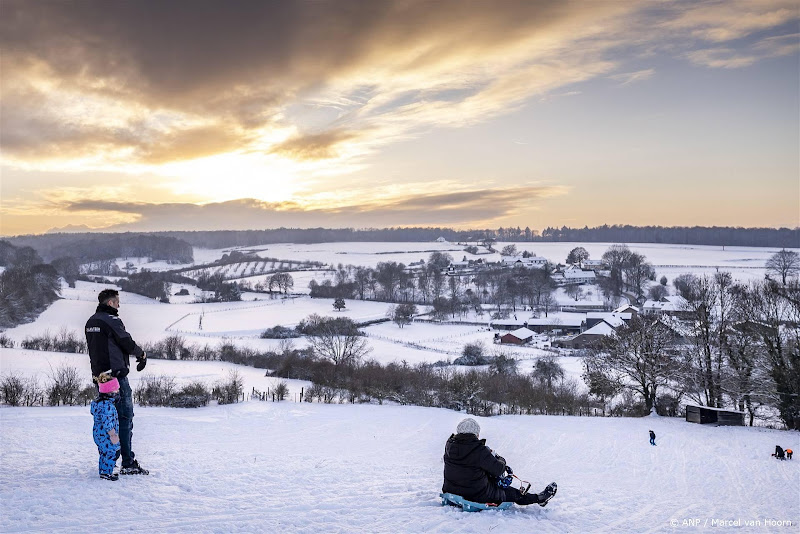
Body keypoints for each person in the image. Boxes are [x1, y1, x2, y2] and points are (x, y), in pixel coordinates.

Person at [86, 289, 149, 476]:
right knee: (124, 418)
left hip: (100, 378)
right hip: (116, 378)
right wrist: (141, 354)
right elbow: (126, 342)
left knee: (107, 420)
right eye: (117, 302)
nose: (119, 306)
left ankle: (108, 459)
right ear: (111, 303)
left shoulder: (90, 322)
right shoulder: (111, 320)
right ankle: (127, 462)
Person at [442, 418, 557, 507]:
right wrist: (500, 459)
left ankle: (537, 498)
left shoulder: (449, 446)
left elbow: (467, 465)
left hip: (450, 489)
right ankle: (539, 499)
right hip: (476, 494)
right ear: (475, 434)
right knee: (510, 492)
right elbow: (499, 469)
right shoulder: (479, 450)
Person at [91, 373, 121, 481]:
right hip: (106, 434)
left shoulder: (100, 404)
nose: (117, 392)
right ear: (109, 392)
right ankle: (106, 473)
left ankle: (103, 471)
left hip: (98, 434)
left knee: (104, 453)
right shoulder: (107, 406)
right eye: (116, 390)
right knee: (110, 452)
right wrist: (112, 434)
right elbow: (107, 421)